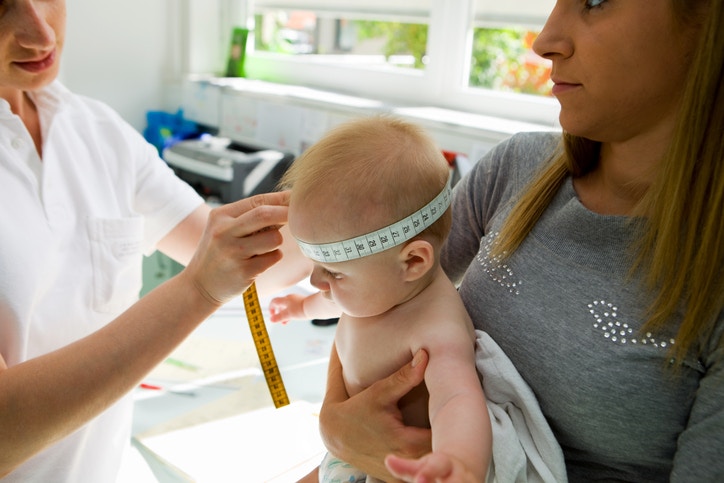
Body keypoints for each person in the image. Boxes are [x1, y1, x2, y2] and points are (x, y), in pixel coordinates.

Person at [308, 1, 724, 482]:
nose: (544, 41)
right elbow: (380, 295)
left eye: (594, 1)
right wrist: (336, 427)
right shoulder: (516, 170)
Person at [0, 1, 305, 481]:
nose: (40, 34)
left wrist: (360, 213)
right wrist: (197, 290)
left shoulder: (94, 128)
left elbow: (246, 262)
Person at [269, 116, 492, 482]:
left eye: (335, 272)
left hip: (401, 469)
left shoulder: (436, 328)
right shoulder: (378, 287)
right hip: (348, 453)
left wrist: (460, 463)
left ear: (414, 261)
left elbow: (458, 401)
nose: (315, 281)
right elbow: (333, 302)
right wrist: (299, 308)